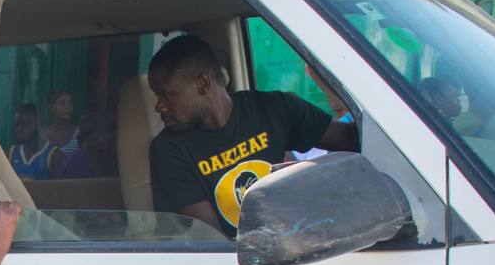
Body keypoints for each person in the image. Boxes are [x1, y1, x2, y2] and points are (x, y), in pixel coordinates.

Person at [146, 34, 358, 237]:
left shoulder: (273, 108)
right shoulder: (168, 151)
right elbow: (211, 239)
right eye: (157, 95)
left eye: (167, 94)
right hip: (238, 258)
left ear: (203, 84)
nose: (159, 106)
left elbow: (353, 139)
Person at [57, 111, 118, 179]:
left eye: (107, 133)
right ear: (86, 137)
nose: (106, 137)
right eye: (101, 133)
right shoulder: (74, 162)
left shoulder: (109, 159)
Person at [8, 104, 59, 179]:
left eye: (25, 124)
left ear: (37, 125)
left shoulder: (53, 154)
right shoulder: (12, 152)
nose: (20, 129)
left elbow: (56, 185)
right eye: (17, 125)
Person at [44, 89, 79, 154]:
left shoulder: (79, 133)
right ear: (51, 107)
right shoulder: (43, 134)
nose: (68, 107)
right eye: (62, 103)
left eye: (70, 102)